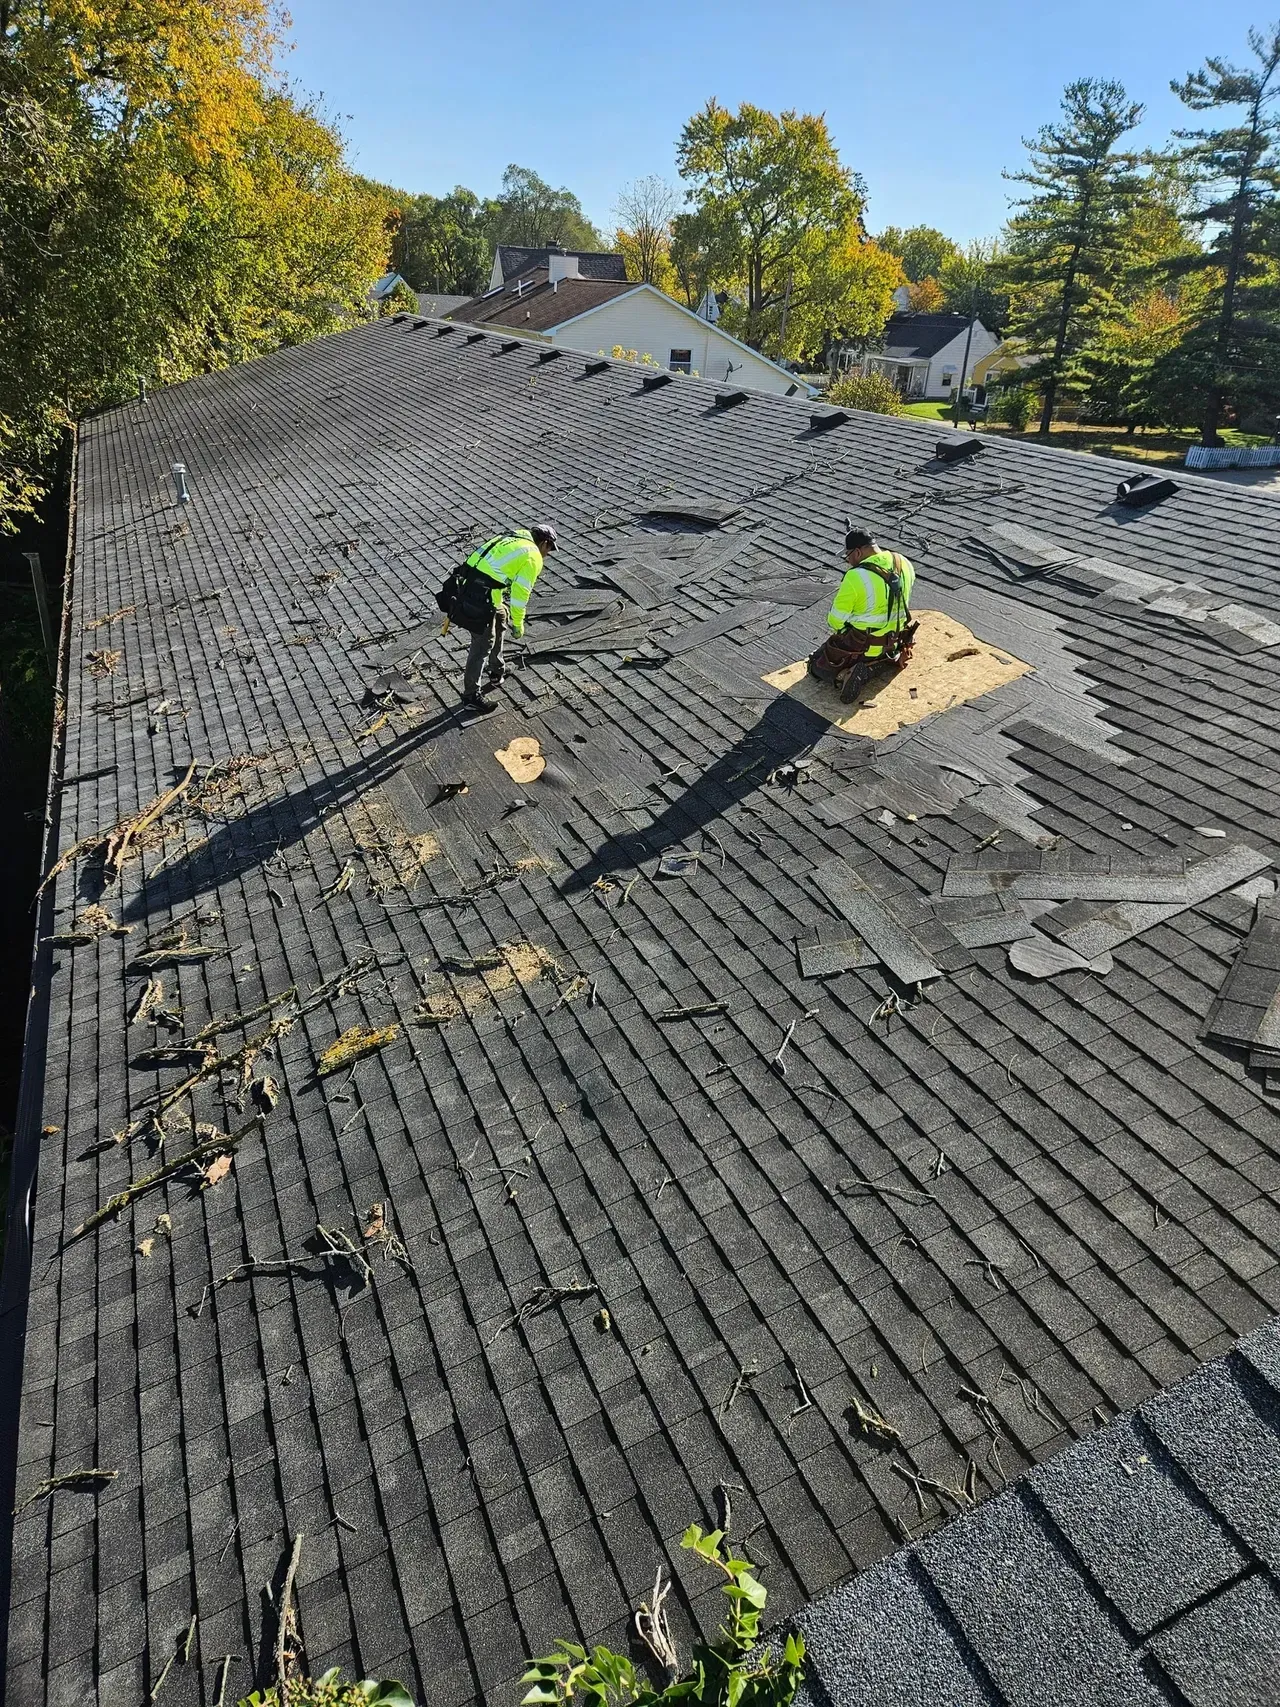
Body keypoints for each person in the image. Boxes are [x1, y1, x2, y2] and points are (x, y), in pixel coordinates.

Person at [452, 525, 557, 712]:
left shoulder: (512, 537)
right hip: (478, 598)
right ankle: (470, 696)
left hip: (472, 588)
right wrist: (518, 624)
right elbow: (519, 596)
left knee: (501, 617)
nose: (547, 555)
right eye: (549, 549)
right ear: (544, 543)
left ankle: (496, 669)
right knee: (482, 644)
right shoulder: (532, 556)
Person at [807, 528, 917, 703]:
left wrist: (844, 632)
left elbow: (835, 620)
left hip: (864, 646)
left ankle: (851, 673)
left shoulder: (855, 577)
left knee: (815, 666)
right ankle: (885, 661)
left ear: (858, 552)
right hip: (895, 640)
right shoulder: (903, 561)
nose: (848, 562)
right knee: (883, 650)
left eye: (848, 556)